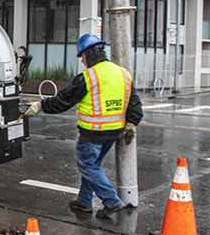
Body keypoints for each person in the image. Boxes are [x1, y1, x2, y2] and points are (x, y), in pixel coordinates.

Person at [24, 34, 143, 219]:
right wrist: (132, 123)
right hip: (114, 132)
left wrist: (41, 105)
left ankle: (111, 201)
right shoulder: (122, 73)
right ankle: (84, 202)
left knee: (88, 166)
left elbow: (64, 100)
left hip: (93, 134)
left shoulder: (89, 77)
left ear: (89, 54)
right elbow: (134, 101)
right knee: (92, 166)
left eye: (82, 57)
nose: (82, 61)